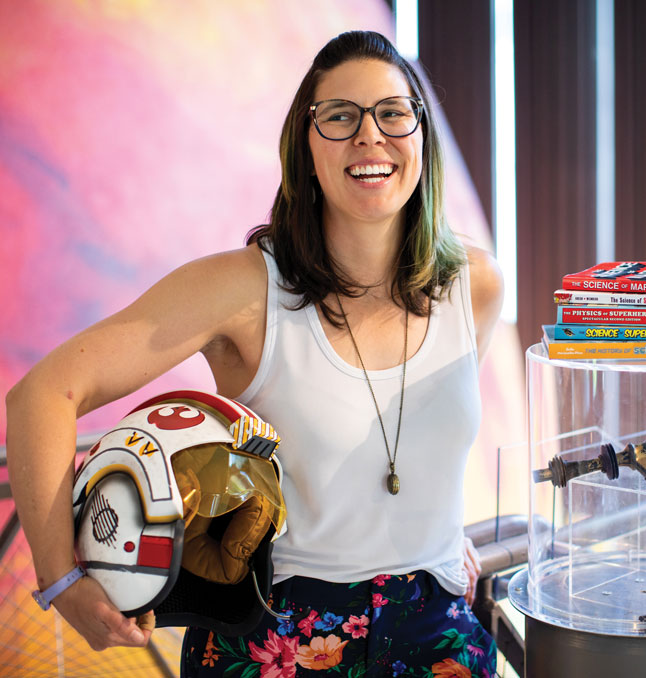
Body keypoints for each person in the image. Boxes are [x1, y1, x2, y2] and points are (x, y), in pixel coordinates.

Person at [5, 30, 503, 677]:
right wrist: (59, 582)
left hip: (437, 632)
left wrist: (430, 539)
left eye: (393, 113)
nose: (370, 136)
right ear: (306, 143)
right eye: (340, 116)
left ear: (421, 137)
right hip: (276, 641)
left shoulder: (477, 285)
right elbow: (42, 395)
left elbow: (419, 450)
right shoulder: (244, 288)